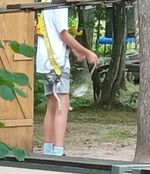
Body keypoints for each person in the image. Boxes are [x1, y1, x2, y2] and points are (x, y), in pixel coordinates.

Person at [36, 4, 102, 156]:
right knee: (62, 105)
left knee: (52, 105)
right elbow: (63, 34)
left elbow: (51, 32)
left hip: (45, 61)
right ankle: (58, 150)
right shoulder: (60, 7)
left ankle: (48, 148)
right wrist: (86, 51)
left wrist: (74, 49)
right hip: (57, 63)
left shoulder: (47, 4)